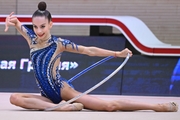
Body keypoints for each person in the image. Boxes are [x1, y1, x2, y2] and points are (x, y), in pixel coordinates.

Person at [4, 1, 178, 112]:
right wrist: (12, 21)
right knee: (15, 98)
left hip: (61, 89)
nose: (39, 31)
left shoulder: (59, 44)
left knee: (109, 106)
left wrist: (117, 53)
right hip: (46, 97)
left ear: (50, 24)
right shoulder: (31, 39)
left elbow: (89, 50)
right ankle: (59, 108)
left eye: (42, 26)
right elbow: (18, 24)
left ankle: (157, 106)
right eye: (35, 27)